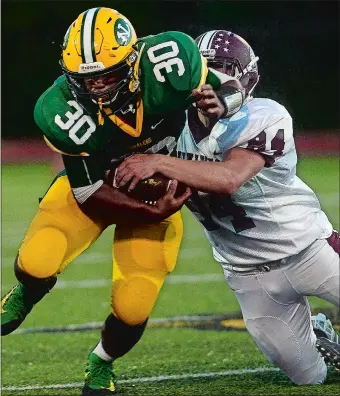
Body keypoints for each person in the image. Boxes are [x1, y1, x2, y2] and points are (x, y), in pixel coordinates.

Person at [0, 8, 245, 395]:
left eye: (108, 75)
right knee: (36, 261)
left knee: (133, 307)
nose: (97, 87)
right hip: (98, 191)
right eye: (86, 79)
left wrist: (223, 102)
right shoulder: (59, 106)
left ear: (132, 61)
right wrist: (153, 211)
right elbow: (87, 193)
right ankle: (27, 292)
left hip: (156, 195)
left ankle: (100, 363)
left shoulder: (170, 63)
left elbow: (232, 87)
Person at [114, 30, 340, 384]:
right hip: (248, 273)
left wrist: (158, 163)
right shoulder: (167, 126)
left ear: (247, 78)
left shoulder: (264, 114)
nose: (210, 82)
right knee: (309, 376)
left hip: (311, 250)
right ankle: (319, 333)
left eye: (221, 71)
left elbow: (230, 177)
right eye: (204, 72)